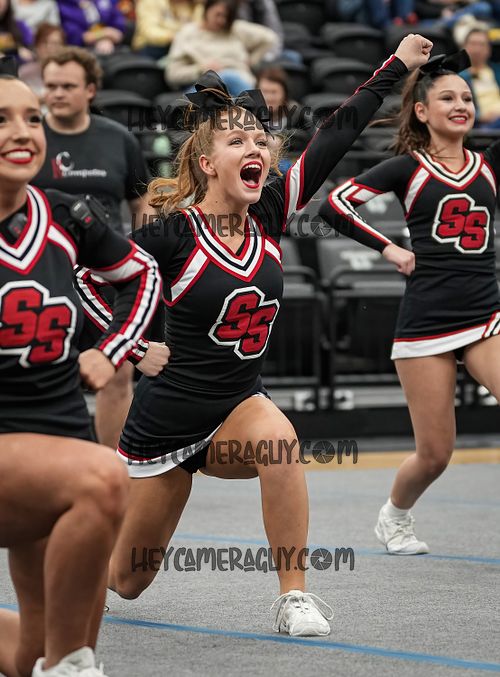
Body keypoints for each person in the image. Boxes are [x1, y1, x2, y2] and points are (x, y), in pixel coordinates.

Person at [78, 36, 432, 633]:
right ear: (206, 163)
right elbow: (86, 278)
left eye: (260, 140)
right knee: (127, 580)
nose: (255, 148)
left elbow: (335, 135)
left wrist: (394, 67)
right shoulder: (172, 234)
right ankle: (83, 564)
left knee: (281, 444)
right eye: (236, 140)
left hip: (237, 408)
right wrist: (131, 347)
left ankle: (294, 597)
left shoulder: (270, 210)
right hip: (165, 426)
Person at [0, 57, 164, 677]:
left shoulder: (68, 215)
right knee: (104, 477)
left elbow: (142, 274)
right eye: (1, 120)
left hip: (59, 436)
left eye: (31, 118)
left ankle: (59, 662)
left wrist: (111, 349)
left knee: (31, 653)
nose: (23, 132)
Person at [318, 50, 500, 556]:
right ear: (422, 111)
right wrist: (390, 249)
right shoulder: (407, 168)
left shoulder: (489, 165)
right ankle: (394, 515)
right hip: (426, 322)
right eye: (447, 98)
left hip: (485, 314)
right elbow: (334, 205)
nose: (461, 105)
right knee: (436, 453)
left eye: (467, 98)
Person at [32, 45, 155, 449]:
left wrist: (142, 249)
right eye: (51, 86)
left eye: (67, 86)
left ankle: (113, 466)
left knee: (117, 368)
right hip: (44, 275)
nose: (56, 93)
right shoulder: (29, 138)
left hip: (105, 278)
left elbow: (142, 202)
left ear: (90, 90)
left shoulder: (118, 139)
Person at [165, 0, 278, 96]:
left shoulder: (235, 29)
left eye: (227, 17)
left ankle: (252, 107)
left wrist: (251, 60)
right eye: (218, 14)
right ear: (207, 9)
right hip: (206, 87)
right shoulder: (187, 34)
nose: (222, 20)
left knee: (232, 78)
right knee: (224, 77)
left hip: (240, 82)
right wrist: (201, 69)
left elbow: (270, 38)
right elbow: (172, 75)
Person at [132, 0, 203, 60]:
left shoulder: (196, 4)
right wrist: (174, 36)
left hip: (187, 46)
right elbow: (149, 31)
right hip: (154, 47)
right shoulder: (151, 2)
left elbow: (199, 29)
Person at [461, 27, 500, 128]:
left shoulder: (496, 71)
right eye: (473, 44)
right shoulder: (457, 78)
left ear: (489, 49)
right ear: (464, 47)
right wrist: (479, 117)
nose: (477, 49)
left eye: (482, 44)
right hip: (479, 125)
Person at [57, 0, 125, 54]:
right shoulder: (64, 5)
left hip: (113, 45)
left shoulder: (103, 2)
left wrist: (107, 39)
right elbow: (74, 35)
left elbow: (118, 27)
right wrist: (103, 34)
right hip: (80, 50)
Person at [18, 22, 66, 98]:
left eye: (55, 43)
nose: (49, 47)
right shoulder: (24, 72)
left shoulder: (69, 73)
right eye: (44, 43)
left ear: (63, 47)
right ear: (36, 46)